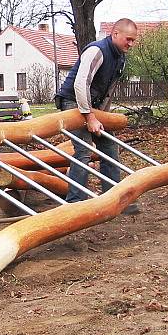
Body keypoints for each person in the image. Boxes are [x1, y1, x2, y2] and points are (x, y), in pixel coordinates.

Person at [54, 18, 140, 212]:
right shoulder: (97, 51)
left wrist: (102, 117)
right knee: (83, 150)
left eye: (133, 40)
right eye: (128, 39)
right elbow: (80, 83)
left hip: (92, 106)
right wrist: (90, 117)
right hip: (72, 102)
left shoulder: (120, 57)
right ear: (115, 34)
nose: (131, 44)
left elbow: (108, 90)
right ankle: (75, 204)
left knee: (109, 147)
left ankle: (114, 199)